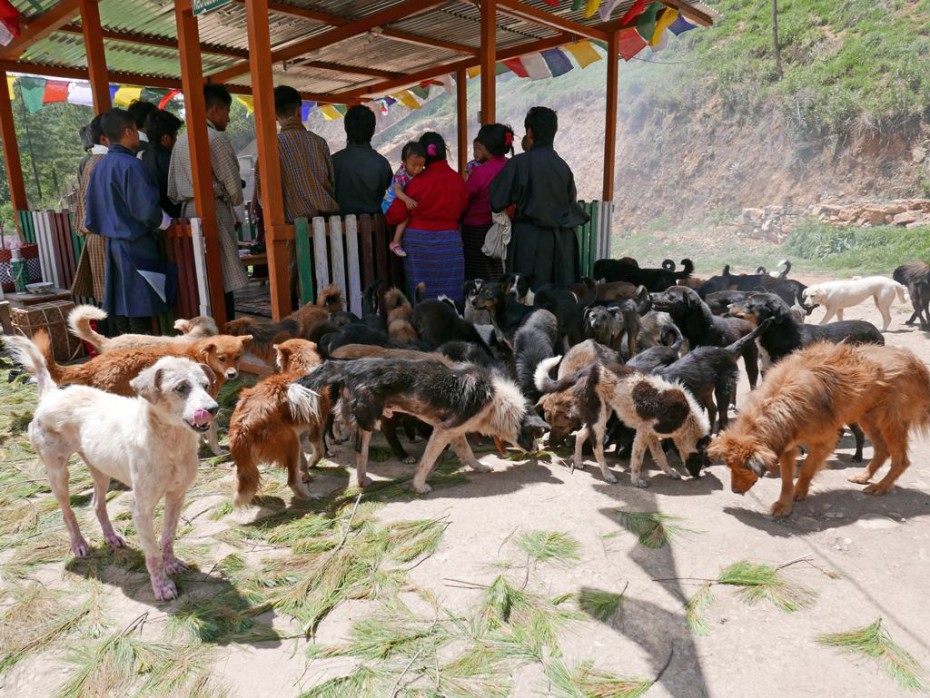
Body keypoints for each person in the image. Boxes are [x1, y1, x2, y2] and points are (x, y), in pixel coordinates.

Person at [85, 108, 173, 334]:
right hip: (137, 244)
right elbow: (147, 212)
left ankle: (126, 358)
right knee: (139, 308)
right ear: (128, 132)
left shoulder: (100, 166)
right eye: (135, 130)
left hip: (113, 245)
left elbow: (92, 214)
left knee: (121, 308)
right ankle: (142, 359)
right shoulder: (133, 166)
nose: (137, 135)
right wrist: (165, 222)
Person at [169, 84, 250, 321]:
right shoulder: (215, 138)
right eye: (227, 111)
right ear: (215, 109)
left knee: (199, 279)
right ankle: (226, 328)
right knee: (221, 277)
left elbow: (172, 189)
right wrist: (231, 201)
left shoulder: (181, 141)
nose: (228, 117)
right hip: (213, 209)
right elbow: (234, 187)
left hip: (188, 212)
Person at [254, 85, 338, 299]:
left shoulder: (271, 148)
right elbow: (332, 183)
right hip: (327, 229)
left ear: (274, 115)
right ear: (300, 110)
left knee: (297, 296)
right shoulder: (319, 143)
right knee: (329, 291)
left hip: (291, 234)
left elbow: (264, 199)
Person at [489, 106, 588, 288]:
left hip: (529, 239)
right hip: (562, 242)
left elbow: (496, 200)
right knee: (557, 299)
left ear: (530, 132)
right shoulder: (563, 167)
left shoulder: (520, 163)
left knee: (527, 300)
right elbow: (570, 201)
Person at [385, 132, 468, 303]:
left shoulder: (415, 183)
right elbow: (463, 208)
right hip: (449, 244)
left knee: (421, 292)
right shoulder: (458, 180)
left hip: (418, 245)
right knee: (451, 291)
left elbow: (396, 215)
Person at [461, 124, 515, 281]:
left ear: (484, 147)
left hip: (477, 230)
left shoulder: (480, 172)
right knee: (498, 273)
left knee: (477, 276)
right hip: (507, 228)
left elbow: (464, 199)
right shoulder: (512, 167)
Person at [72, 115, 110, 305]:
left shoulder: (90, 161)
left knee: (105, 295)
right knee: (110, 295)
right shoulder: (99, 161)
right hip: (102, 234)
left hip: (94, 233)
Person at [331, 105, 392, 216]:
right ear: (373, 131)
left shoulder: (332, 162)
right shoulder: (382, 163)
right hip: (377, 229)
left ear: (345, 128)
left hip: (341, 229)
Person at [382, 141, 426, 257]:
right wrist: (407, 199)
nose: (417, 169)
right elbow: (397, 190)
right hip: (390, 204)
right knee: (406, 215)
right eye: (414, 165)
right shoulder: (401, 173)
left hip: (399, 201)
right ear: (404, 161)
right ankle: (395, 242)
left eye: (421, 166)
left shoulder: (415, 174)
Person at [140, 109, 183, 219]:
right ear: (166, 139)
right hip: (174, 218)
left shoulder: (143, 157)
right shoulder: (169, 160)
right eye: (175, 136)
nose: (176, 140)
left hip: (155, 218)